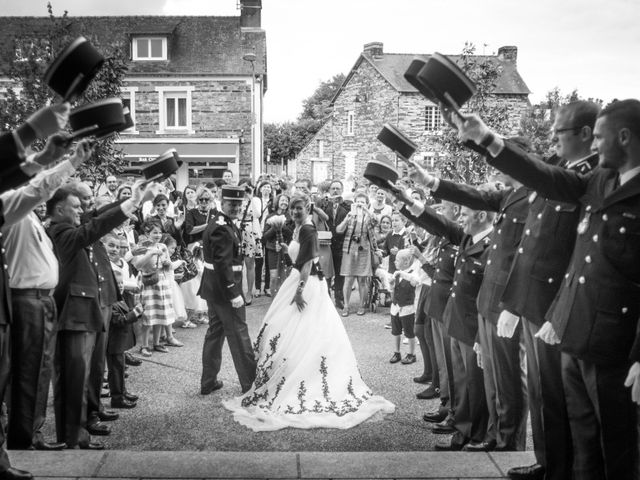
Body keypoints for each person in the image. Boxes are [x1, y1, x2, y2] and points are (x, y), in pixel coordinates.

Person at [453, 99, 640, 480]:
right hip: (576, 326)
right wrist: (485, 138)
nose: (596, 147)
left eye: (601, 138)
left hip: (615, 339)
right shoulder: (602, 180)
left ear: (623, 137)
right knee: (583, 435)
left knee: (617, 446)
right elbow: (581, 262)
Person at [222, 192, 395, 431]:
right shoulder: (298, 228)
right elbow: (298, 256)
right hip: (297, 279)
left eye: (299, 208)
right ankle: (286, 371)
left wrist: (299, 291)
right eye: (292, 208)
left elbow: (307, 264)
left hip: (307, 284)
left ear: (308, 208)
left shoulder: (308, 230)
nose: (295, 212)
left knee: (306, 331)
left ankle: (301, 379)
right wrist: (286, 248)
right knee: (286, 330)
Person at [492, 101, 599, 480]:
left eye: (560, 133)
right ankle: (550, 462)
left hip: (558, 304)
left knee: (560, 397)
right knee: (541, 391)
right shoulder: (562, 169)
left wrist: (557, 311)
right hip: (538, 302)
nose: (553, 140)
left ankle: (563, 468)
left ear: (586, 134)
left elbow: (573, 254)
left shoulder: (591, 177)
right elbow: (534, 245)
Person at [3, 138, 90, 452]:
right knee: (28, 372)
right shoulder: (12, 206)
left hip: (39, 299)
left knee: (38, 371)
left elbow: (37, 188)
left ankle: (31, 433)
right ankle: (24, 437)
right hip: (26, 298)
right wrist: (68, 162)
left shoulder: (27, 215)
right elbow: (37, 187)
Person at [48, 180, 147, 450]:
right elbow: (93, 227)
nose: (82, 210)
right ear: (58, 210)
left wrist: (131, 201)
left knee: (81, 377)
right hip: (74, 315)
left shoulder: (69, 226)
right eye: (75, 206)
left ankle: (77, 434)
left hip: (82, 312)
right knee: (73, 380)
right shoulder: (61, 232)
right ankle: (74, 437)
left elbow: (95, 217)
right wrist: (128, 205)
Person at [199, 185, 257, 395]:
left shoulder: (223, 222)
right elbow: (223, 263)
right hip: (225, 290)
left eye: (239, 204)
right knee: (239, 334)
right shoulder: (222, 226)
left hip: (215, 289)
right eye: (232, 203)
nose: (236, 207)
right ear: (222, 202)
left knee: (215, 333)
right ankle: (250, 384)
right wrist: (234, 292)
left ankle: (208, 381)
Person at [336, 192, 375, 316]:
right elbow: (339, 230)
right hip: (350, 248)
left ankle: (362, 305)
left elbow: (377, 221)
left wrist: (366, 211)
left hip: (364, 249)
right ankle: (346, 306)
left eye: (362, 202)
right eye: (358, 202)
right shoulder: (350, 215)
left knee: (362, 279)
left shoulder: (369, 217)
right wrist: (347, 219)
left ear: (367, 204)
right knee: (348, 278)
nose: (360, 204)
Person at [387, 249, 420, 365]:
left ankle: (412, 354)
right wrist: (391, 285)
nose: (395, 262)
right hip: (395, 306)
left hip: (407, 308)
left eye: (397, 260)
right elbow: (392, 291)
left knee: (409, 332)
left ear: (406, 261)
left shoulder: (413, 273)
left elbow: (416, 281)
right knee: (395, 331)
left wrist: (402, 274)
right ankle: (397, 352)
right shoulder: (396, 273)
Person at [322, 180, 350, 310]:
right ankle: (326, 297)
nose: (335, 191)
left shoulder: (347, 206)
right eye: (333, 188)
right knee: (326, 272)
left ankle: (339, 298)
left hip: (341, 243)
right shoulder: (324, 205)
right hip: (326, 243)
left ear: (342, 190)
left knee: (340, 272)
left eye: (338, 188)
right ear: (329, 190)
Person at [261, 193, 293, 297]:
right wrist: (274, 227)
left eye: (286, 201)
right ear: (277, 202)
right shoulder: (270, 216)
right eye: (282, 200)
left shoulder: (291, 217)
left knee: (286, 275)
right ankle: (275, 298)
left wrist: (282, 226)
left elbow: (292, 234)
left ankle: (285, 298)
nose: (284, 202)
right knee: (274, 276)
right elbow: (265, 236)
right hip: (272, 250)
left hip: (287, 250)